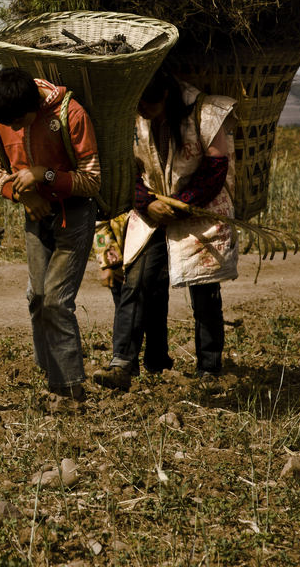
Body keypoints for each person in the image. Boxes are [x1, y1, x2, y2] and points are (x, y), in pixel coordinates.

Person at [93, 69, 238, 391]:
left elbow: (216, 167)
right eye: (140, 106)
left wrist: (183, 202)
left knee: (204, 290)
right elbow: (124, 167)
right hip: (153, 210)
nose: (144, 112)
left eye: (150, 106)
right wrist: (147, 203)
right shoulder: (130, 116)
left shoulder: (205, 112)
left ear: (166, 97)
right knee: (137, 280)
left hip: (201, 209)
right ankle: (122, 363)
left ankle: (209, 369)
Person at [0, 66, 101, 411]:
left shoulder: (70, 114)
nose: (15, 129)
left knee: (55, 300)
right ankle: (50, 374)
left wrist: (44, 176)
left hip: (75, 213)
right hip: (36, 213)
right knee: (36, 296)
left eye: (20, 123)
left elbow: (92, 180)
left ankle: (69, 389)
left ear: (34, 106)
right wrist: (22, 195)